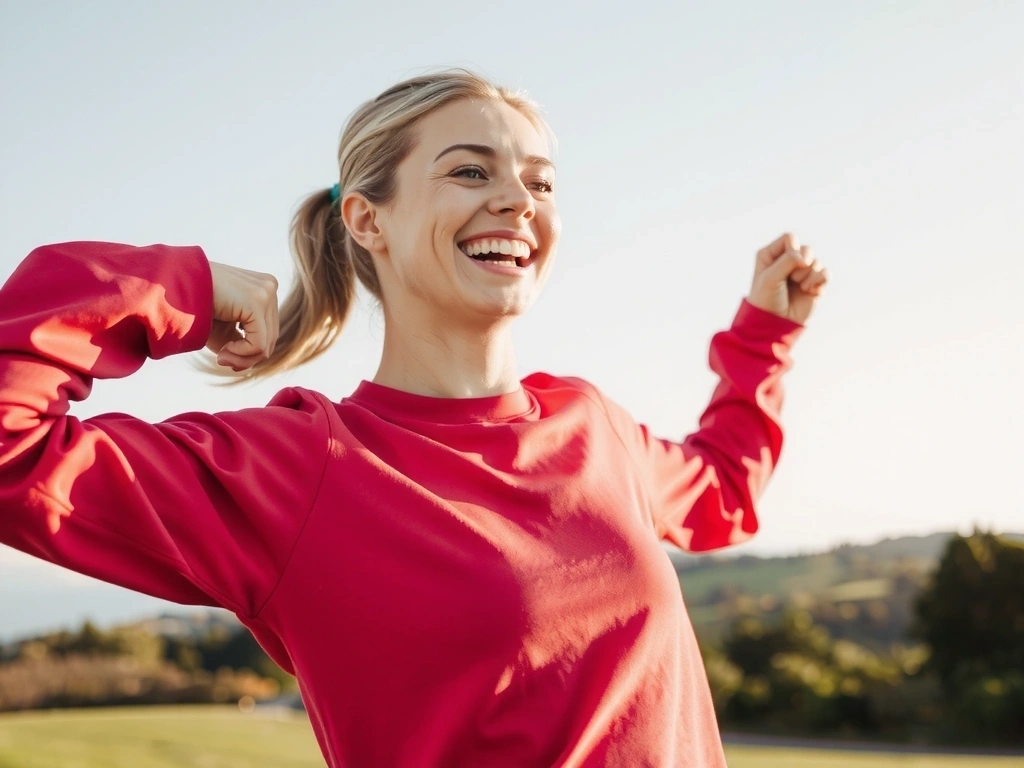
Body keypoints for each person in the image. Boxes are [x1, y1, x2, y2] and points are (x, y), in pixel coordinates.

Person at [0, 69, 828, 767]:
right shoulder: (301, 469)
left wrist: (764, 335)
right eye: (472, 173)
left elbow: (722, 493)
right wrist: (180, 288)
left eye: (540, 181)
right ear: (367, 219)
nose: (517, 201)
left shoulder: (591, 424)